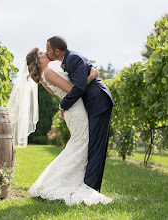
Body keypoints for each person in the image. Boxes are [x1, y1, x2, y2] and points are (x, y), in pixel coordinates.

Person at [8, 47, 113, 206]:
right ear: (37, 61)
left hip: (72, 110)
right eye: (42, 54)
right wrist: (91, 77)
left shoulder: (43, 77)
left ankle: (64, 179)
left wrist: (63, 106)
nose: (46, 53)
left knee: (78, 144)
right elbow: (72, 90)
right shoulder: (48, 73)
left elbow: (64, 93)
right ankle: (63, 182)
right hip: (76, 111)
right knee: (81, 144)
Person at [46, 36, 115, 192]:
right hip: (93, 102)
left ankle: (90, 189)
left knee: (96, 147)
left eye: (48, 49)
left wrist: (63, 105)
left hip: (99, 101)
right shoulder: (68, 60)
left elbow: (79, 88)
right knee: (93, 145)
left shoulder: (73, 58)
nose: (46, 52)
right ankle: (87, 185)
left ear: (57, 51)